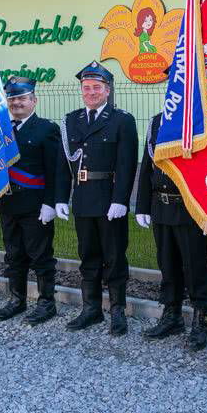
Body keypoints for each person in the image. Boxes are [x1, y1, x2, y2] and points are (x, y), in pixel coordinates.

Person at [56, 61, 138, 336]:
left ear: (107, 90)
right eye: (86, 87)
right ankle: (91, 308)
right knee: (87, 255)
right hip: (82, 198)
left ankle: (117, 310)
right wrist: (60, 198)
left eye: (96, 87)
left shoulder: (122, 120)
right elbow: (62, 163)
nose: (91, 92)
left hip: (108, 199)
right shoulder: (71, 120)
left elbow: (127, 165)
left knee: (114, 257)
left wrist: (121, 200)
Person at [135, 112, 207, 351]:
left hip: (192, 207)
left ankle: (201, 322)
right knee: (167, 265)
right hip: (161, 206)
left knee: (196, 266)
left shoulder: (205, 118)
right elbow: (148, 165)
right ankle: (173, 316)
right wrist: (142, 205)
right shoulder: (158, 120)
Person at [0, 77, 60, 325]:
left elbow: (55, 171)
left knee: (40, 255)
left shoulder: (46, 129)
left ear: (34, 100)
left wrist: (51, 203)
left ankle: (46, 302)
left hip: (35, 205)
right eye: (12, 98)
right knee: (13, 254)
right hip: (7, 204)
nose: (17, 103)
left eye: (22, 98)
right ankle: (17, 300)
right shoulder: (0, 129)